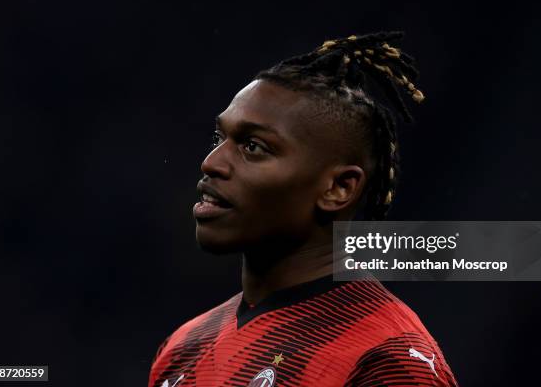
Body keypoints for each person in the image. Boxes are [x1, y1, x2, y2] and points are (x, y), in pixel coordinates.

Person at [148, 31, 458, 386]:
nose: (211, 163)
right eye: (220, 139)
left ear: (338, 188)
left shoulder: (385, 360)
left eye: (253, 146)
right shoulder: (183, 348)